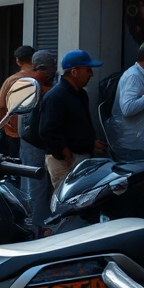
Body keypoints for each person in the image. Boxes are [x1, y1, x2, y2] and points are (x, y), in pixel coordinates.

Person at [39, 50, 106, 190]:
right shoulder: (56, 96)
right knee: (67, 204)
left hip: (81, 157)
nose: (91, 75)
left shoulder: (81, 94)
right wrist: (66, 153)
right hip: (63, 161)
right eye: (88, 70)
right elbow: (48, 131)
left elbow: (77, 126)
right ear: (74, 71)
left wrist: (90, 142)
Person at [19, 50, 57, 232]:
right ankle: (39, 229)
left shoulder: (25, 83)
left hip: (29, 143)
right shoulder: (40, 85)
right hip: (36, 145)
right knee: (38, 190)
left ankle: (37, 227)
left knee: (35, 189)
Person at [0, 45, 36, 157]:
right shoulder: (43, 78)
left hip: (16, 134)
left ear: (18, 61)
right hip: (38, 133)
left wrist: (7, 127)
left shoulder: (12, 80)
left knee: (18, 167)